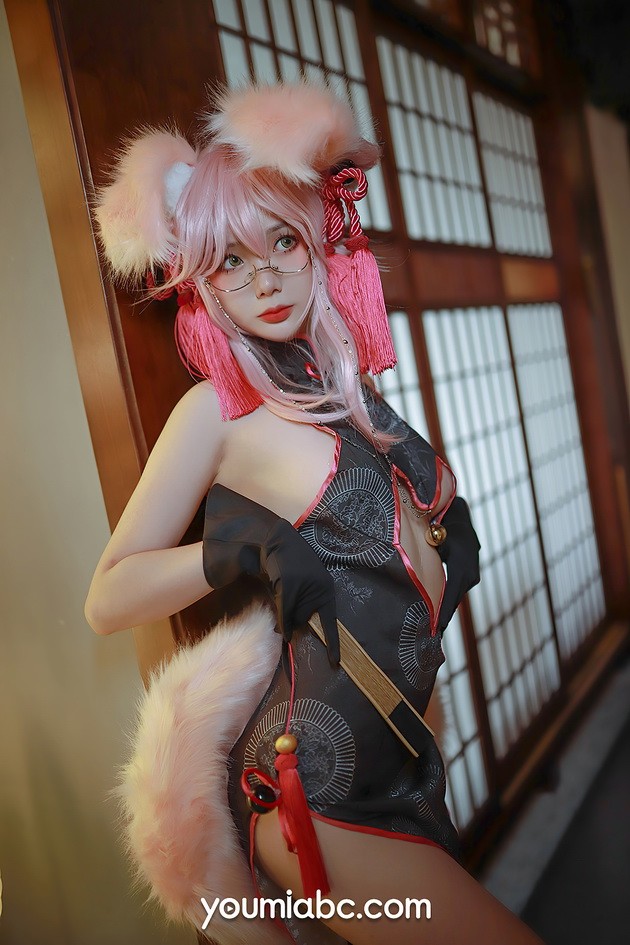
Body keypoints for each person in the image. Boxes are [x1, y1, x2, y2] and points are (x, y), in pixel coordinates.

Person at [86, 80, 544, 945]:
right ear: (198, 279)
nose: (264, 278)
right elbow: (106, 599)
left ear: (320, 241)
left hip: (404, 753)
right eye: (230, 259)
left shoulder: (342, 388)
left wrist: (445, 530)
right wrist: (236, 551)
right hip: (315, 787)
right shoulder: (215, 412)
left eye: (284, 242)